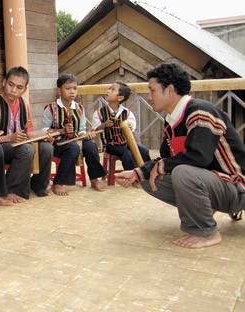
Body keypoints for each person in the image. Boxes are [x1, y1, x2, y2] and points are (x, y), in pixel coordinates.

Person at [115, 63, 245, 248]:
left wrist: (160, 166)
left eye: (152, 91)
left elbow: (199, 157)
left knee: (183, 173)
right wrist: (138, 172)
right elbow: (167, 159)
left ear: (170, 89)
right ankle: (205, 211)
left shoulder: (200, 112)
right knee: (147, 179)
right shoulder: (172, 121)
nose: (149, 96)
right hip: (218, 185)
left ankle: (206, 232)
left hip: (237, 186)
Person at [0, 66, 54, 202]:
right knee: (26, 149)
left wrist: (43, 137)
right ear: (4, 82)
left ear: (24, 89)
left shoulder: (24, 103)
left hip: (17, 146)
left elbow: (28, 133)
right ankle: (11, 190)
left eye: (19, 87)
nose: (13, 90)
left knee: (47, 148)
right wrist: (9, 138)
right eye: (11, 85)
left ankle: (38, 185)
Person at [41, 74, 107, 195]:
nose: (72, 91)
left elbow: (81, 130)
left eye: (75, 88)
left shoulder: (79, 108)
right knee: (73, 147)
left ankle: (94, 179)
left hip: (76, 140)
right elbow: (45, 131)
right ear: (59, 90)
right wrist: (61, 131)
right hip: (58, 144)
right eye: (68, 88)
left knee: (91, 146)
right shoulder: (51, 108)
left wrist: (86, 134)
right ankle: (58, 183)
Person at [92, 81, 151, 171]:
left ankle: (147, 172)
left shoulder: (127, 113)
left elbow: (132, 127)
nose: (108, 91)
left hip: (126, 143)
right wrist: (104, 125)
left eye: (112, 90)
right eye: (109, 88)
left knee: (144, 150)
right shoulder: (99, 112)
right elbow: (95, 130)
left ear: (120, 98)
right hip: (111, 145)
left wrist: (130, 127)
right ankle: (133, 175)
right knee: (126, 154)